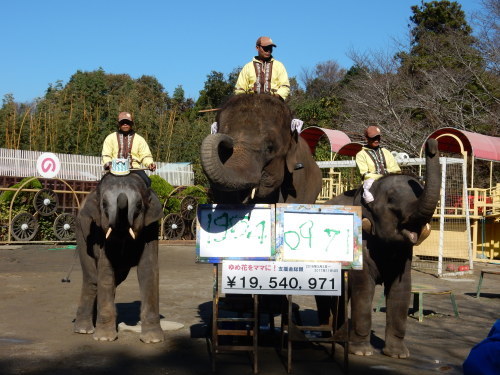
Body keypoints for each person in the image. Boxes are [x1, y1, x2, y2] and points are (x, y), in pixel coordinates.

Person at [102, 111, 156, 186]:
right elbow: (106, 155)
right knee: (101, 186)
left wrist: (150, 164)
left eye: (127, 122)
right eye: (122, 122)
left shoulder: (140, 139)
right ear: (119, 124)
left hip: (134, 170)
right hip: (115, 170)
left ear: (132, 124)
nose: (125, 124)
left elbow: (145, 155)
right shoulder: (110, 138)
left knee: (147, 182)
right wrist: (109, 165)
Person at [356, 125, 401, 206]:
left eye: (378, 137)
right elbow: (365, 174)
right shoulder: (361, 154)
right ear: (367, 139)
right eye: (373, 138)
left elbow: (396, 169)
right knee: (369, 195)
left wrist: (389, 177)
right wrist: (382, 177)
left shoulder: (386, 151)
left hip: (390, 181)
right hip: (372, 184)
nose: (376, 140)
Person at [234, 36, 290, 100]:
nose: (268, 51)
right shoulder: (248, 67)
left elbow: (285, 86)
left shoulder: (279, 66)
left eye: (270, 48)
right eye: (265, 48)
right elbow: (240, 89)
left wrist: (276, 97)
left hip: (274, 103)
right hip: (251, 104)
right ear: (257, 48)